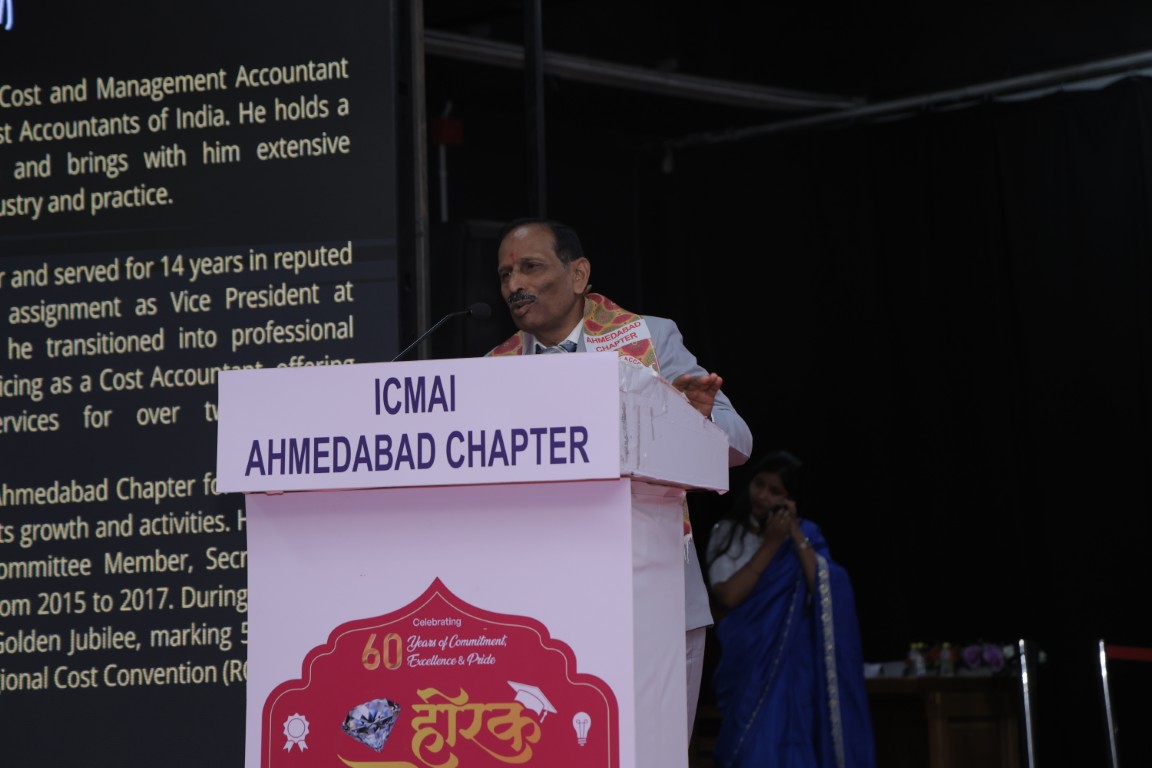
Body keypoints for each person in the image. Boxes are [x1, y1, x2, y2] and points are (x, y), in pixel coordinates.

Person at [485, 217, 754, 744]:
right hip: (543, 608)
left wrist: (693, 421)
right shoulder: (493, 369)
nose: (515, 285)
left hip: (654, 594)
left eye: (531, 267)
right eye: (505, 275)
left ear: (578, 274)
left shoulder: (649, 337)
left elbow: (739, 442)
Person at [705, 450, 875, 768]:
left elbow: (825, 590)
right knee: (754, 749)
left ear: (790, 500)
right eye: (759, 484)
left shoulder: (805, 537)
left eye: (775, 491)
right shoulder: (728, 533)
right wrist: (771, 544)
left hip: (794, 669)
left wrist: (794, 535)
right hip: (748, 665)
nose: (763, 495)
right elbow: (728, 595)